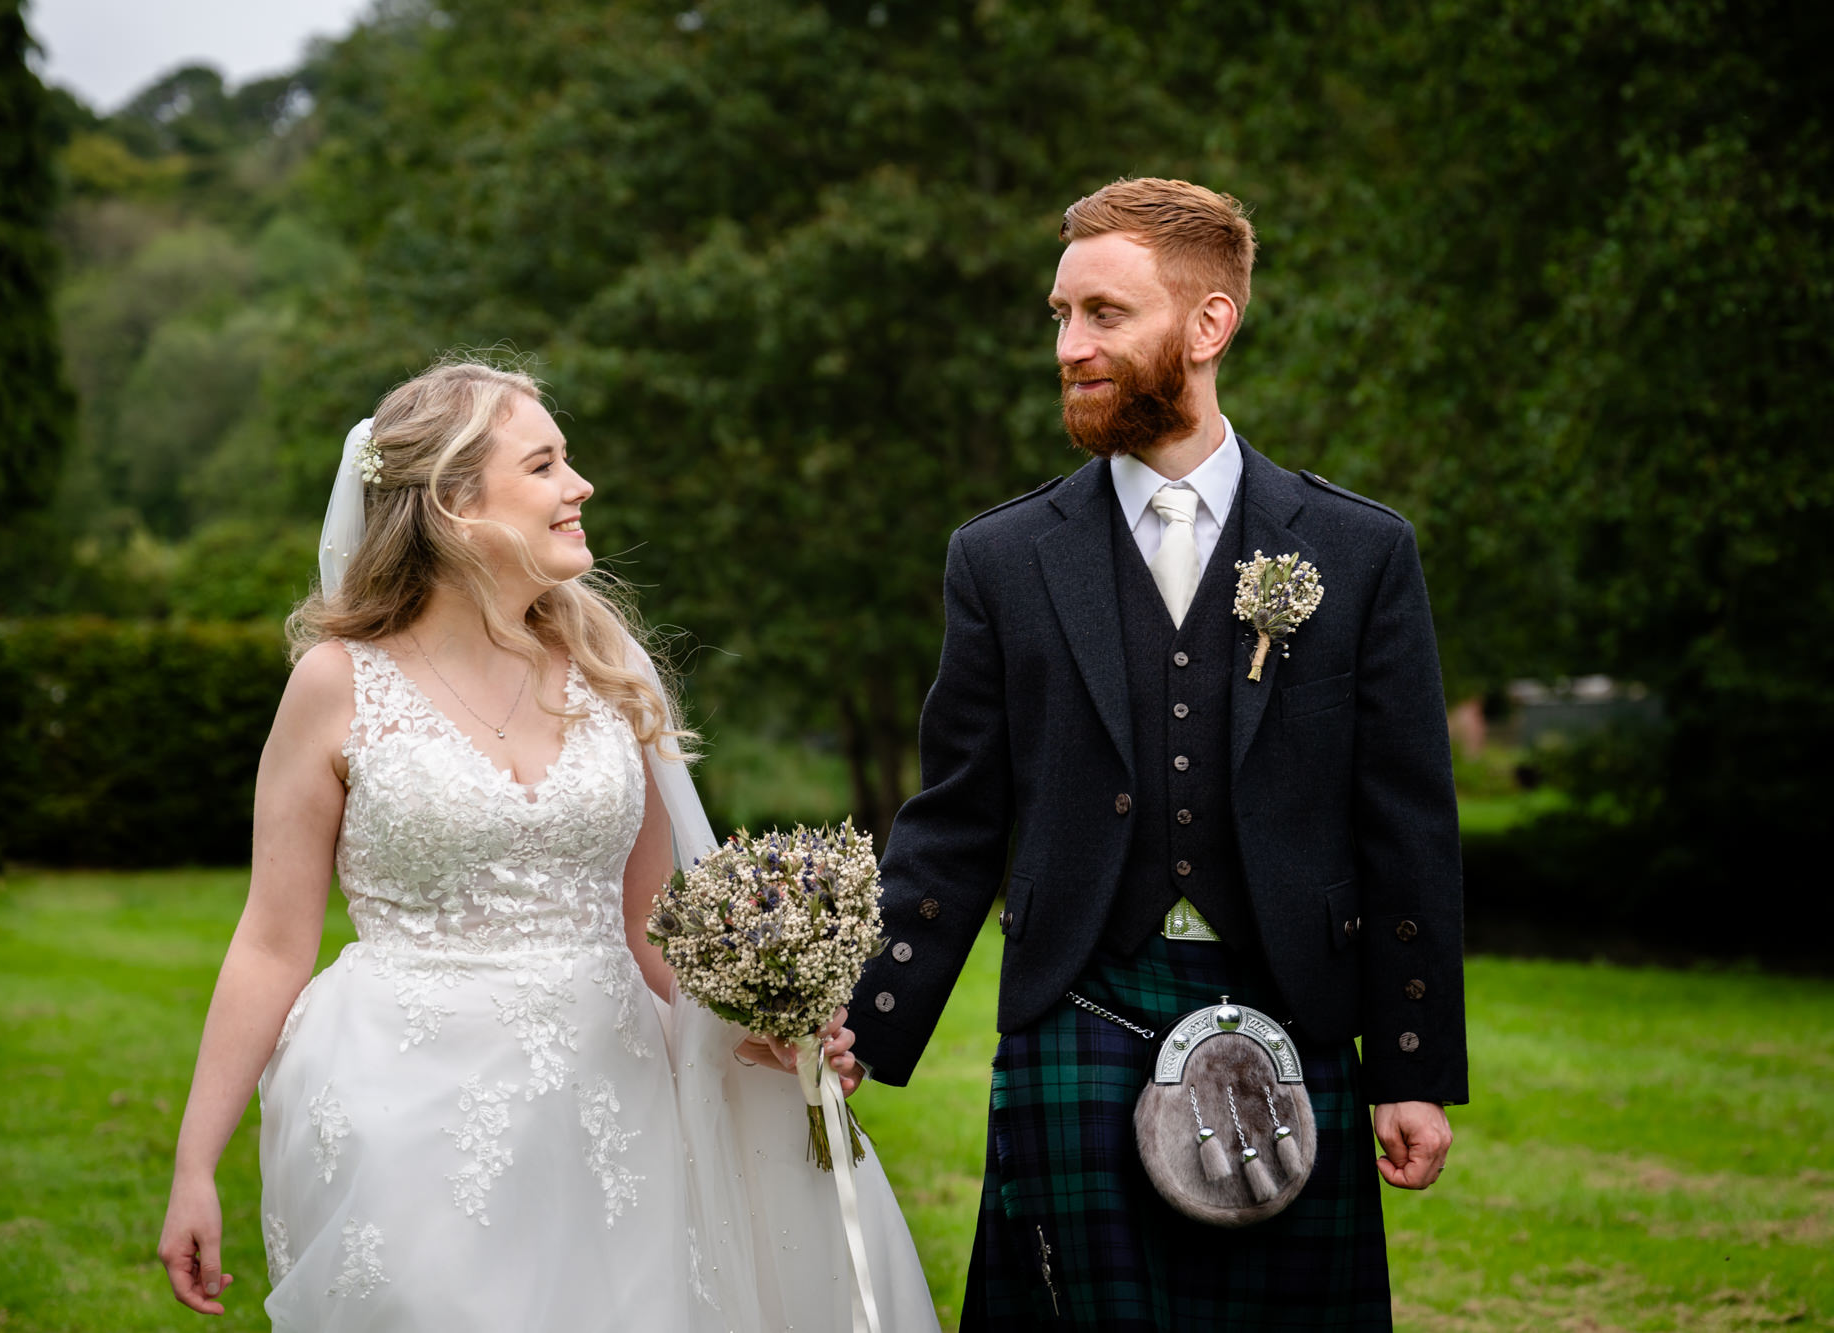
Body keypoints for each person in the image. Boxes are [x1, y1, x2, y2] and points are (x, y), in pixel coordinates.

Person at [157, 359, 938, 1331]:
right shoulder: (335, 684)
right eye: (544, 465)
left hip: (613, 1099)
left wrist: (759, 1022)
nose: (580, 487)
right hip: (401, 1100)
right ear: (453, 503)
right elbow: (272, 940)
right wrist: (196, 1165)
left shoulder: (608, 666)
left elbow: (656, 932)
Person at [845, 178, 1468, 1328]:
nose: (1069, 346)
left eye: (1103, 314)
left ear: (1207, 322)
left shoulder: (1357, 548)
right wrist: (866, 1018)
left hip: (1293, 1016)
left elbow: (1403, 822)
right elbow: (957, 816)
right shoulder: (1000, 557)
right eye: (1060, 315)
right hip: (1084, 1008)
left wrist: (1413, 1064)